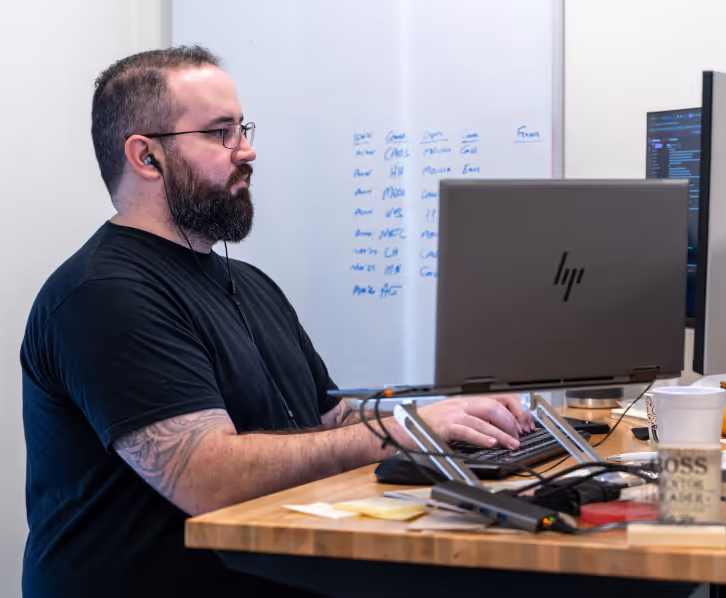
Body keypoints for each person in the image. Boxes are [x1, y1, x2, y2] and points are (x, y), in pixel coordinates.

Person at [20, 46, 534, 598]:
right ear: (147, 158)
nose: (248, 151)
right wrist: (402, 434)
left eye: (243, 128)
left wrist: (443, 420)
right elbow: (207, 477)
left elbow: (327, 417)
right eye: (221, 133)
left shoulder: (250, 284)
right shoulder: (103, 294)